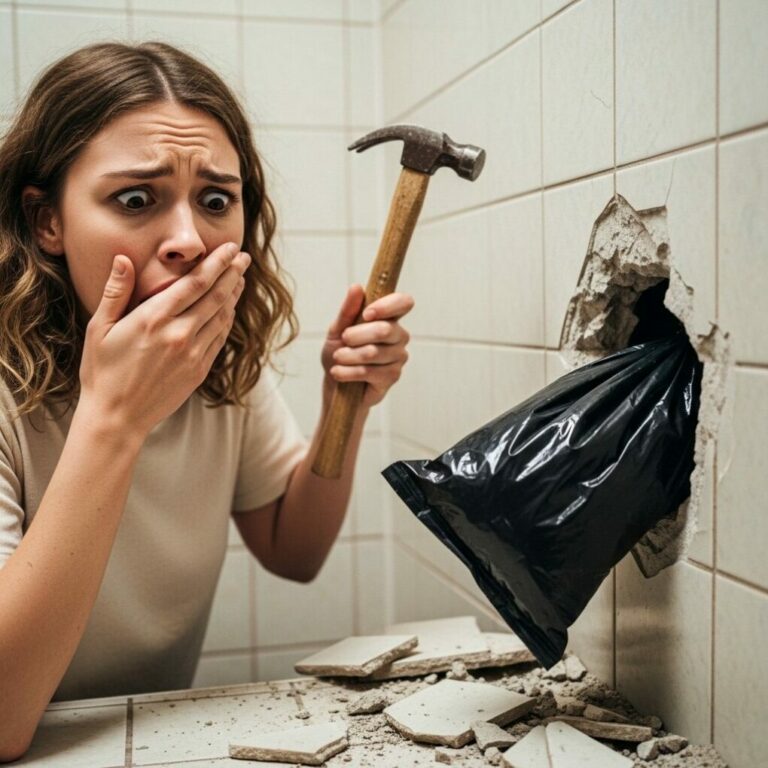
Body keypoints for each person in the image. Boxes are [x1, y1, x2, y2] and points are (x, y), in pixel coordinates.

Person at [0, 41, 413, 760]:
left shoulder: (217, 366)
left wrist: (343, 407)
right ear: (47, 222)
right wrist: (114, 418)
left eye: (216, 201)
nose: (189, 240)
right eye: (136, 199)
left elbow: (294, 549)